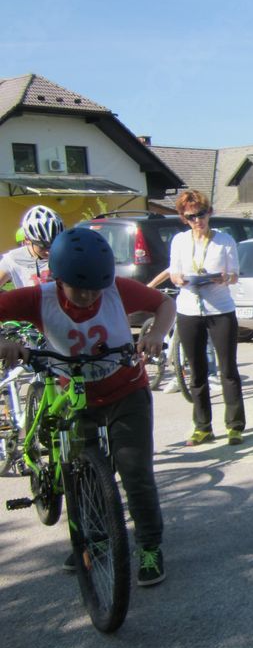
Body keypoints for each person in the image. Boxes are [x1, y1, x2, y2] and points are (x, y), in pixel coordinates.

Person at [0, 227, 175, 586]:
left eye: (95, 288)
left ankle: (149, 546)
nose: (88, 296)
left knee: (135, 472)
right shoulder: (39, 298)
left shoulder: (115, 290)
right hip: (78, 398)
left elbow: (164, 303)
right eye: (79, 289)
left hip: (127, 391)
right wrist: (5, 343)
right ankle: (93, 539)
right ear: (58, 278)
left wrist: (156, 333)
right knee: (83, 475)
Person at [167, 190, 245, 446]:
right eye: (191, 217)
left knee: (228, 370)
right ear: (184, 218)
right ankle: (202, 427)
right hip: (189, 309)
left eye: (201, 214)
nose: (197, 220)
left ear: (209, 213)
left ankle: (235, 426)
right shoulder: (179, 241)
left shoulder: (224, 240)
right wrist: (179, 279)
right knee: (197, 372)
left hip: (220, 310)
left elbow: (235, 274)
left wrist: (224, 278)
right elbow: (174, 273)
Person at [0, 205, 65, 288]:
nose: (49, 252)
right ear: (27, 240)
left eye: (55, 245)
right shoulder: (12, 259)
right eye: (43, 247)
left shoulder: (68, 253)